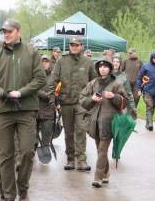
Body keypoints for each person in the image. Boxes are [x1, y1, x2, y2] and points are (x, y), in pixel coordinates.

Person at [0, 19, 45, 201]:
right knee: (5, 155)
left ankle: (24, 189)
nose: (6, 34)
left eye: (10, 31)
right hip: (3, 110)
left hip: (26, 108)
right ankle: (9, 196)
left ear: (18, 32)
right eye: (4, 31)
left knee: (27, 152)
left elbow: (40, 79)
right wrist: (3, 93)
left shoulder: (32, 53)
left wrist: (21, 92)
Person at [80, 58, 127, 188]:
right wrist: (92, 99)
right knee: (100, 150)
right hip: (95, 123)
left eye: (106, 67)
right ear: (97, 69)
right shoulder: (93, 83)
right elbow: (82, 98)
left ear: (110, 69)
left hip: (109, 122)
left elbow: (125, 102)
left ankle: (98, 178)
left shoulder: (116, 84)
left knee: (102, 150)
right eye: (100, 67)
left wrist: (114, 97)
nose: (103, 69)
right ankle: (106, 173)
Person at [52, 36, 96, 171]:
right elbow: (54, 80)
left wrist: (93, 99)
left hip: (82, 103)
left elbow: (95, 82)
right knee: (69, 132)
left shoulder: (88, 62)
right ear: (69, 46)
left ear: (81, 46)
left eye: (76, 45)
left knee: (81, 130)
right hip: (65, 102)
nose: (74, 47)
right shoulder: (61, 61)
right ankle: (70, 159)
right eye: (72, 45)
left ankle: (81, 159)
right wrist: (53, 98)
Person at [136, 52, 155, 131]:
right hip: (147, 90)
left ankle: (147, 123)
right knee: (149, 105)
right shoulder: (146, 66)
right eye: (154, 58)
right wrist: (139, 89)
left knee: (153, 106)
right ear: (151, 58)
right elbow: (139, 78)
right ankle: (150, 123)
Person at [37, 55, 55, 146]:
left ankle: (45, 155)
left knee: (46, 139)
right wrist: (44, 94)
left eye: (46, 62)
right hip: (34, 111)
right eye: (42, 62)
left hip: (48, 111)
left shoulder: (54, 76)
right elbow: (32, 88)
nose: (44, 64)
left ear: (50, 63)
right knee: (32, 141)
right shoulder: (34, 75)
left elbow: (56, 91)